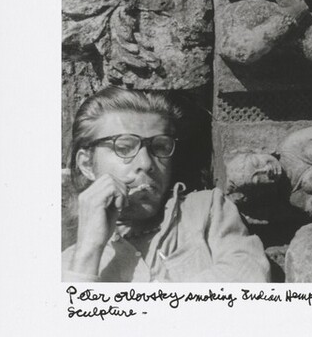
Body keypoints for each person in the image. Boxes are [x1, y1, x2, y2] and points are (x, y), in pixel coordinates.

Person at [62, 87, 270, 282]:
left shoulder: (207, 210)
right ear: (87, 164)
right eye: (124, 148)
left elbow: (249, 279)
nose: (146, 163)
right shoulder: (69, 264)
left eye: (160, 147)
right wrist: (89, 250)